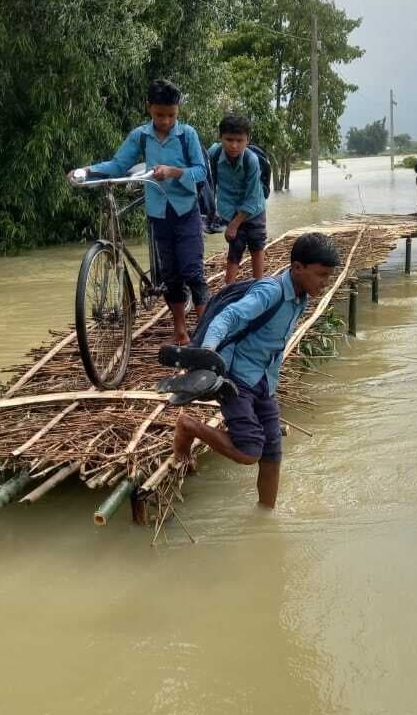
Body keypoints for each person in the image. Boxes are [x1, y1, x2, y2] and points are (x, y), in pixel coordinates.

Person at [172, 232, 340, 508]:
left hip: (265, 380)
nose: (325, 282)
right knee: (250, 452)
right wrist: (210, 351)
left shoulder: (301, 297)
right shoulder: (271, 292)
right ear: (298, 268)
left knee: (272, 455)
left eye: (328, 276)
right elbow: (229, 316)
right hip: (236, 378)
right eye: (321, 275)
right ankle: (188, 426)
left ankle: (266, 517)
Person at [86, 78, 209, 345]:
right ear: (148, 109)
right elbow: (118, 165)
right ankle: (180, 331)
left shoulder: (187, 134)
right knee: (171, 276)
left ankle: (208, 333)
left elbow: (201, 172)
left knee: (193, 271)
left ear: (178, 110)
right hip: (158, 213)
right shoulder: (140, 136)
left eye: (171, 115)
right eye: (159, 115)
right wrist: (87, 172)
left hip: (185, 210)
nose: (165, 121)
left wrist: (174, 172)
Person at [209, 113, 267, 285]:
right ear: (220, 138)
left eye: (239, 141)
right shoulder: (213, 154)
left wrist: (234, 225)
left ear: (247, 140)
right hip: (229, 208)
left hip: (254, 209)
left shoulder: (252, 161)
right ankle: (229, 288)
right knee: (235, 249)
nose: (234, 145)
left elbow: (252, 198)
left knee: (257, 245)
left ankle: (258, 286)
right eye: (229, 139)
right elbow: (208, 184)